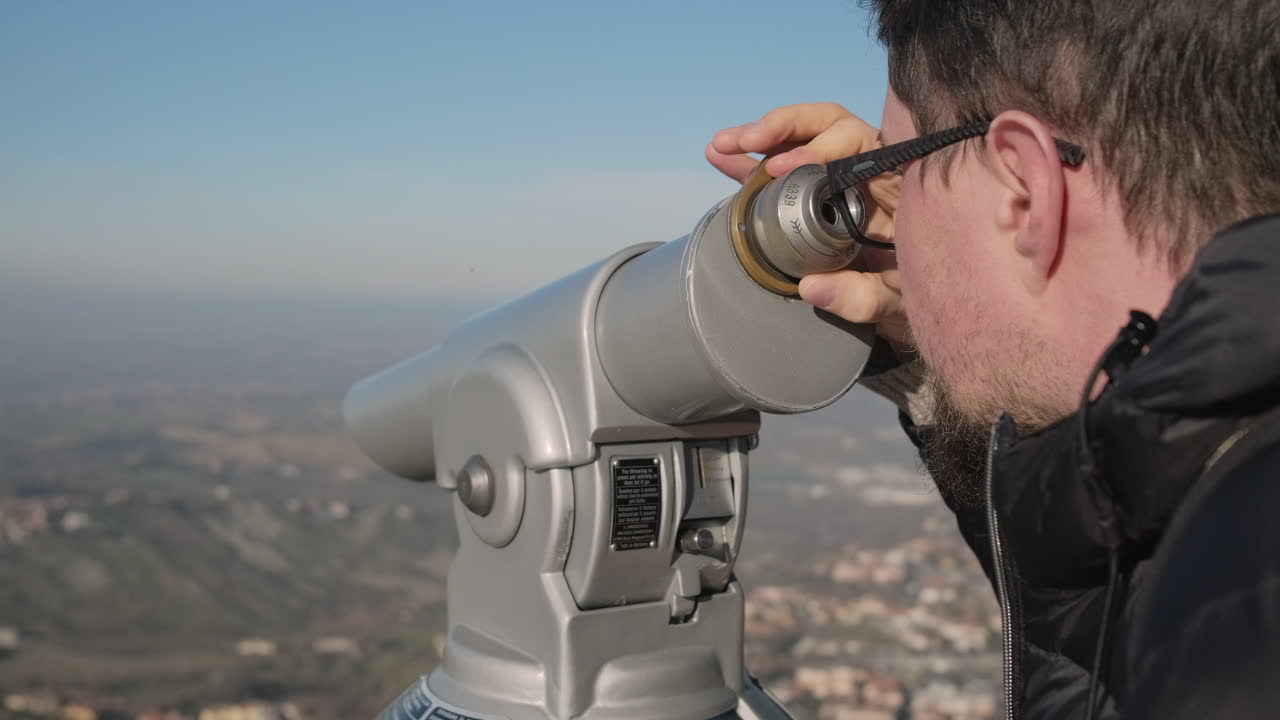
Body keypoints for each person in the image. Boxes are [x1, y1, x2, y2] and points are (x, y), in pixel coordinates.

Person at [707, 1, 1280, 718]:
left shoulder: (1236, 662)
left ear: (1022, 191)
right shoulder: (1216, 533)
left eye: (901, 164)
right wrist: (937, 339)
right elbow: (1098, 626)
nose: (893, 216)